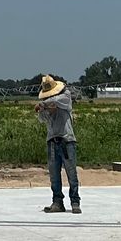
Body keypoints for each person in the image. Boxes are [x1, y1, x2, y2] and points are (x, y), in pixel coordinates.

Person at [35, 74, 81, 213]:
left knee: (71, 173)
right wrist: (44, 109)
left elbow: (59, 100)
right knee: (54, 175)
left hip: (66, 140)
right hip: (52, 141)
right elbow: (42, 119)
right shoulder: (48, 103)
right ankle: (57, 202)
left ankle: (75, 201)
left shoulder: (65, 96)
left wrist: (44, 104)